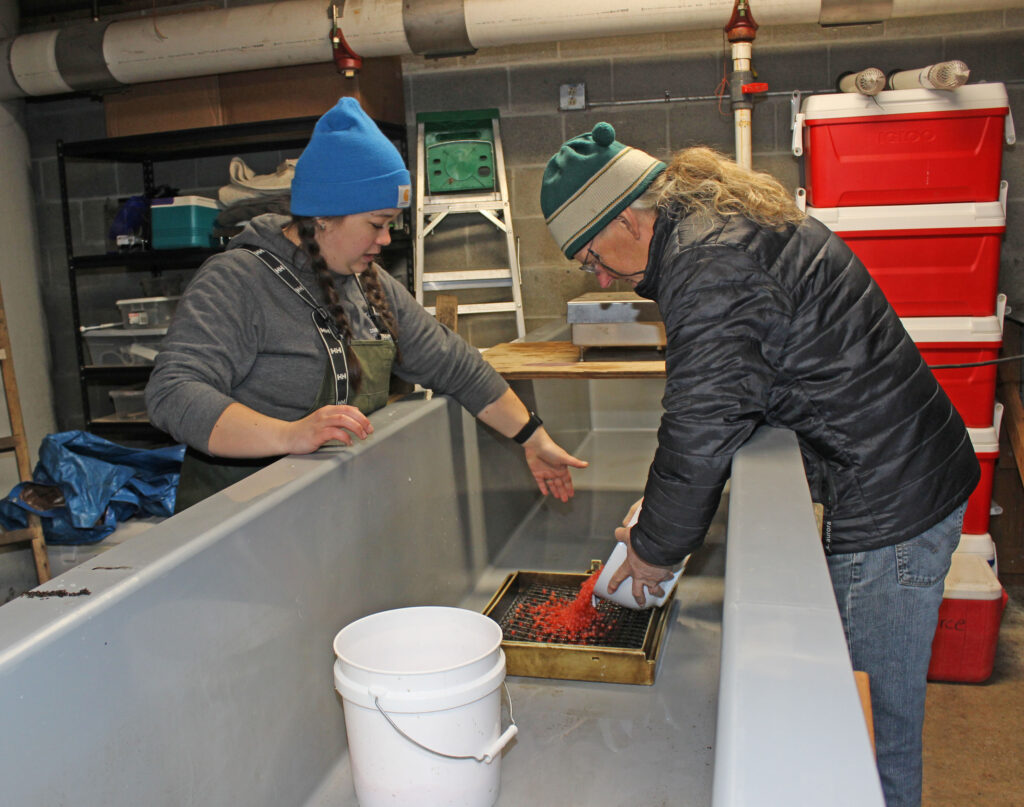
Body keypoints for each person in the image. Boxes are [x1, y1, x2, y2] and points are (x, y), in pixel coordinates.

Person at [540, 123, 979, 807]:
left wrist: (654, 547)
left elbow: (702, 416)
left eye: (593, 257)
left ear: (626, 216)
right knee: (861, 714)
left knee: (869, 733)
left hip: (894, 502)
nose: (599, 277)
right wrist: (659, 509)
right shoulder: (714, 224)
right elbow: (746, 381)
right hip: (898, 471)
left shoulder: (708, 262)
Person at [146, 97, 587, 512]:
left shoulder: (369, 283)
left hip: (318, 511)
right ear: (322, 216)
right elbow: (173, 392)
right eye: (377, 224)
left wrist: (533, 438)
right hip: (235, 520)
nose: (386, 239)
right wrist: (289, 435)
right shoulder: (237, 280)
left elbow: (456, 365)